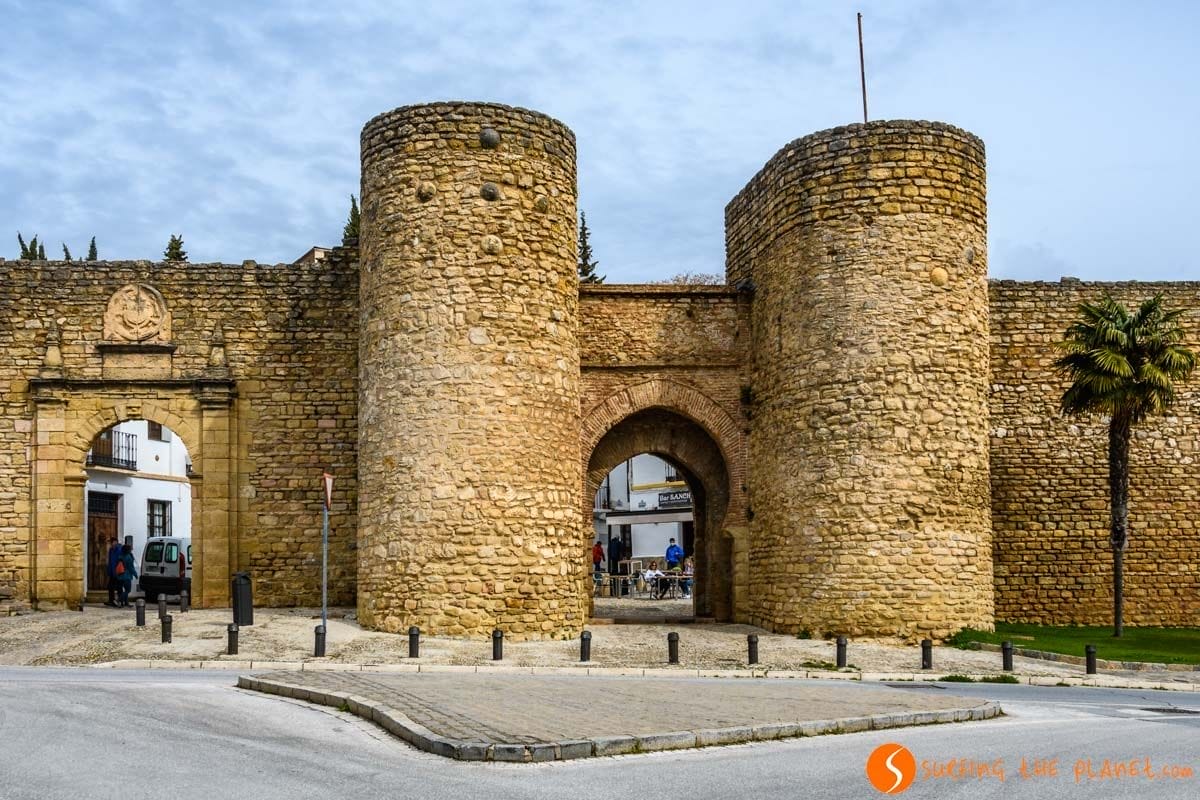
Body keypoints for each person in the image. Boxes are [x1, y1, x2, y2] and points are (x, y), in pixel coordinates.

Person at [115, 543, 138, 608]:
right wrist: (135, 574)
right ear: (128, 550)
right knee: (128, 590)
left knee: (121, 590)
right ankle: (119, 600)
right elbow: (131, 567)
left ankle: (125, 602)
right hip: (126, 576)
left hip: (120, 576)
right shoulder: (128, 557)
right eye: (130, 549)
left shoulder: (120, 556)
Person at [105, 535, 123, 607]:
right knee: (110, 587)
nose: (113, 544)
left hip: (118, 572)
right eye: (112, 543)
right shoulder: (111, 550)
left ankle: (120, 601)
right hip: (112, 572)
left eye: (114, 542)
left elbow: (120, 561)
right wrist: (109, 571)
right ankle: (111, 601)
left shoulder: (119, 550)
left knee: (119, 587)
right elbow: (110, 561)